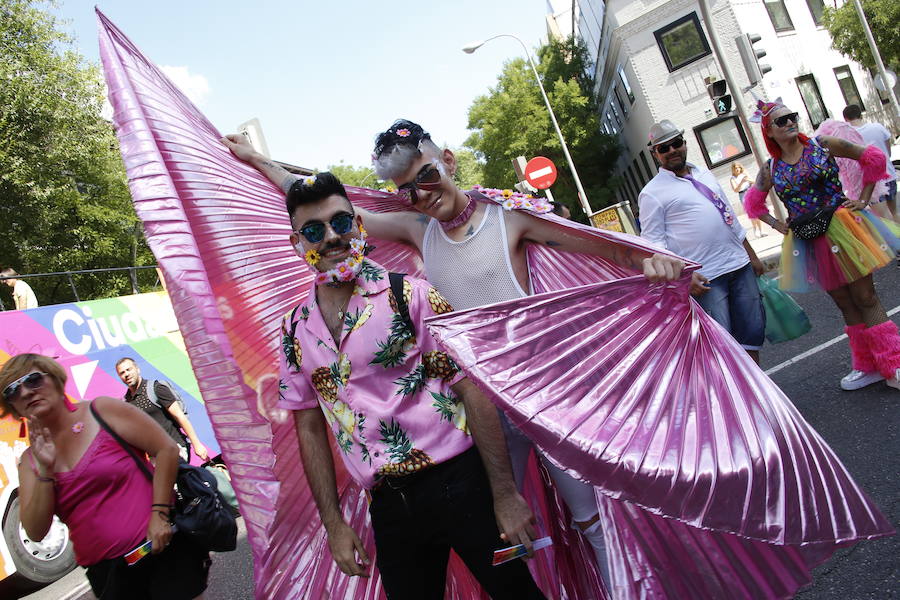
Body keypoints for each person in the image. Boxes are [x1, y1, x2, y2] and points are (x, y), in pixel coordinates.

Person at [223, 121, 687, 591]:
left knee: (590, 521)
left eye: (426, 176)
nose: (422, 194)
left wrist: (655, 262)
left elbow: (593, 244)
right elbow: (327, 212)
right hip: (480, 413)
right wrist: (259, 161)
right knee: (511, 537)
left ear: (447, 160)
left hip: (539, 399)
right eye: (407, 190)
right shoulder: (418, 230)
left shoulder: (508, 216)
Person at [277, 172, 545, 599]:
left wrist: (505, 494)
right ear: (298, 243)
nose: (330, 237)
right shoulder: (294, 331)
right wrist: (333, 524)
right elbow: (308, 427)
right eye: (313, 230)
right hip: (389, 508)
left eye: (341, 222)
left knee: (517, 595)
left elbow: (472, 390)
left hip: (462, 486)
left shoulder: (413, 296)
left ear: (358, 227)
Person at [0, 353, 210, 599]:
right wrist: (46, 472)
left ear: (55, 379)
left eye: (33, 379)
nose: (25, 392)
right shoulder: (29, 462)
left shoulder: (102, 410)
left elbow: (166, 449)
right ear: (11, 406)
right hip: (108, 573)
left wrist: (160, 515)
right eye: (12, 390)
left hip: (159, 546)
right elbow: (35, 531)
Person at [744, 99, 900, 391]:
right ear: (769, 132)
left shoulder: (822, 144)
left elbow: (874, 159)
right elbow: (753, 203)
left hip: (843, 228)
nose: (790, 122)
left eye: (792, 116)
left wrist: (864, 198)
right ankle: (866, 365)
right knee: (844, 302)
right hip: (809, 239)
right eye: (782, 120)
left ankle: (893, 362)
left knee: (865, 297)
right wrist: (779, 226)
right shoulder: (771, 168)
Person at [639, 120, 767, 364]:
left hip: (739, 267)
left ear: (685, 144)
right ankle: (732, 400)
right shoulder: (652, 193)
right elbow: (654, 246)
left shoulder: (703, 173)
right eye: (664, 148)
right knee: (720, 347)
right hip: (707, 279)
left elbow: (729, 218)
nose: (672, 150)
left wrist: (751, 255)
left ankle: (757, 397)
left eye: (676, 144)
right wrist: (684, 278)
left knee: (751, 337)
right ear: (655, 154)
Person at [116, 357, 209, 462]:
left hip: (174, 447)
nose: (126, 374)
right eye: (122, 373)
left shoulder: (156, 388)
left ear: (137, 369)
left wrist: (197, 444)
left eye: (129, 369)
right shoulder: (126, 402)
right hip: (154, 456)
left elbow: (180, 416)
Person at [843, 104, 897, 222]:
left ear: (846, 119)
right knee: (895, 211)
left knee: (883, 216)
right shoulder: (878, 127)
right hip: (890, 174)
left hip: (873, 182)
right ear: (860, 114)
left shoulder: (850, 136)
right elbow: (888, 150)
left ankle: (895, 238)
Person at [730, 162, 762, 238]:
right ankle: (755, 229)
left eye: (738, 167)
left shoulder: (744, 174)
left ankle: (761, 230)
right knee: (751, 212)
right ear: (733, 169)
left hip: (750, 192)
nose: (737, 169)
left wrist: (748, 180)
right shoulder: (732, 178)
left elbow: (754, 182)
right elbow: (735, 189)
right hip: (742, 194)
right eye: (735, 168)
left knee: (756, 212)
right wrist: (741, 182)